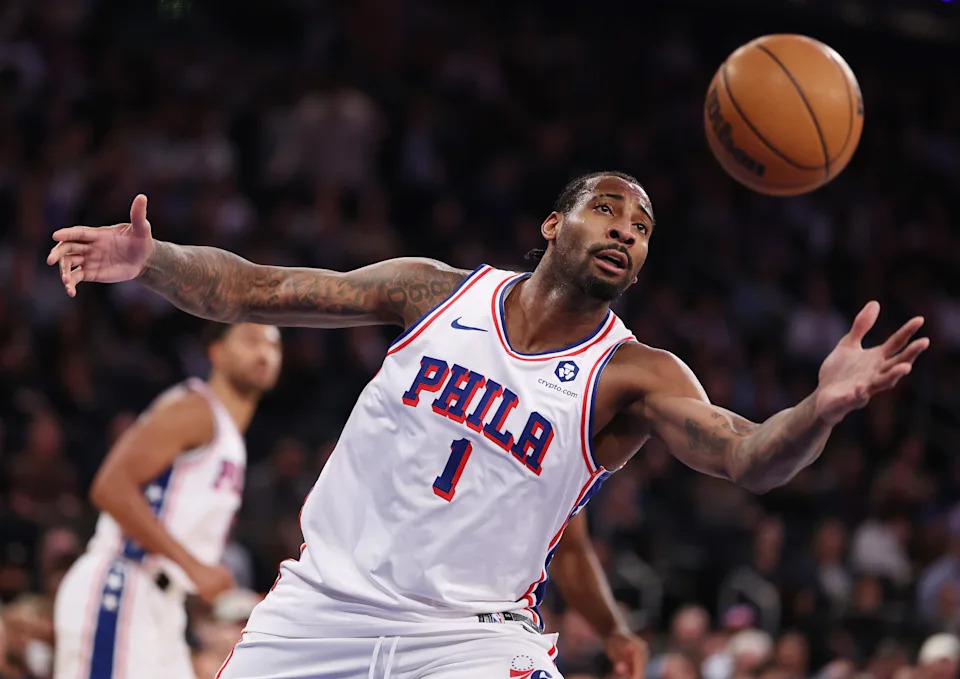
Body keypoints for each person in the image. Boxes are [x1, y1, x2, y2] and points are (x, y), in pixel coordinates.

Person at [47, 171, 929, 679]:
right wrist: (151, 260)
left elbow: (747, 456)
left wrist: (820, 409)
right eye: (607, 209)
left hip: (468, 639)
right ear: (553, 224)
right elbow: (257, 288)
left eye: (644, 226)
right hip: (317, 610)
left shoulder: (635, 375)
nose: (626, 229)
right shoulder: (433, 292)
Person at [51, 322, 282, 679]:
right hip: (122, 586)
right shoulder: (195, 409)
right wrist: (193, 567)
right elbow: (109, 488)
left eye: (274, 346)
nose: (264, 353)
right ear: (216, 352)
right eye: (251, 341)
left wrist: (207, 579)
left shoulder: (230, 438)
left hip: (163, 605)